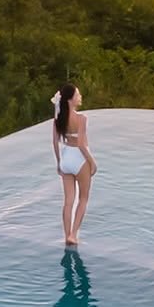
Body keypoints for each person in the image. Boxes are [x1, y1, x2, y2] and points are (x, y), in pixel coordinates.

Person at [51, 83, 97, 247]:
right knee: (83, 198)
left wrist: (59, 163)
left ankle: (66, 235)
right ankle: (73, 235)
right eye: (78, 94)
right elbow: (81, 144)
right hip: (79, 158)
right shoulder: (82, 118)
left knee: (68, 201)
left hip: (66, 158)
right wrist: (92, 162)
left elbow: (55, 143)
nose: (80, 97)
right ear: (71, 99)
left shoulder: (58, 120)